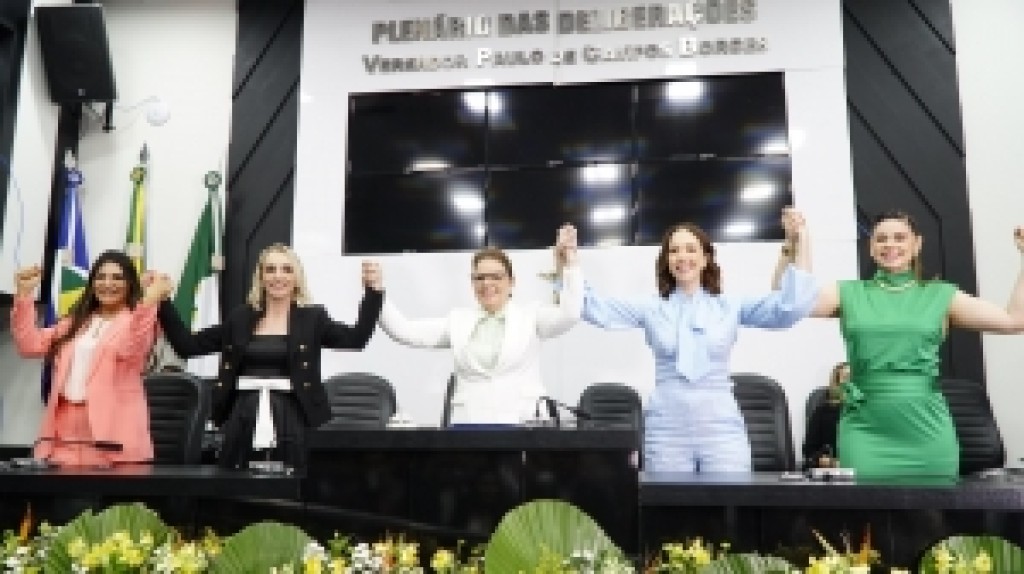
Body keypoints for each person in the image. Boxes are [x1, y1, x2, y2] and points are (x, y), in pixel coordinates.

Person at [580, 209, 818, 473]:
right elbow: (596, 309)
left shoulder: (730, 305)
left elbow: (789, 308)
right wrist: (566, 265)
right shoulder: (651, 307)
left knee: (728, 499)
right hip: (667, 430)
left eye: (691, 249)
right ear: (666, 260)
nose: (682, 257)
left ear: (705, 258)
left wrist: (800, 241)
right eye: (674, 251)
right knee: (670, 500)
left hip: (721, 430)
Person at [807, 211, 1024, 478]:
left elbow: (1015, 320)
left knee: (933, 505)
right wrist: (796, 245)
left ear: (917, 244)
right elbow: (792, 304)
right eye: (881, 239)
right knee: (869, 504)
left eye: (900, 238)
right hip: (866, 428)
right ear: (871, 247)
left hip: (926, 429)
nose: (890, 244)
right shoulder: (847, 293)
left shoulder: (941, 295)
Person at [151, 243, 384, 470]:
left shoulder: (313, 318)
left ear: (296, 277)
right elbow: (188, 346)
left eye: (286, 269)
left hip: (292, 415)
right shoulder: (240, 318)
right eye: (270, 269)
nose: (278, 276)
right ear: (261, 277)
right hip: (242, 414)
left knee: (288, 485)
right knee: (238, 483)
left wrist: (373, 292)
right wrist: (161, 301)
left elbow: (356, 339)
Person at [377, 225, 581, 425]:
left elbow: (570, 315)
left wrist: (570, 263)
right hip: (469, 428)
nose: (486, 283)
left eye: (496, 277)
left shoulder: (531, 317)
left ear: (511, 282)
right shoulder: (457, 321)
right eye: (479, 278)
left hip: (524, 426)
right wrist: (375, 293)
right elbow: (405, 330)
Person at [10, 250, 163, 466]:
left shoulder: (138, 322)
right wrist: (24, 295)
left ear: (130, 283)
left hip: (113, 439)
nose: (107, 283)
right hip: (63, 437)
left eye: (117, 278)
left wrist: (148, 302)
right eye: (100, 277)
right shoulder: (75, 322)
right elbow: (29, 346)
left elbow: (132, 348)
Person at [802, 361, 849, 469]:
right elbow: (809, 450)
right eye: (846, 377)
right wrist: (826, 461)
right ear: (837, 384)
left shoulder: (870, 412)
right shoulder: (823, 412)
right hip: (834, 470)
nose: (851, 382)